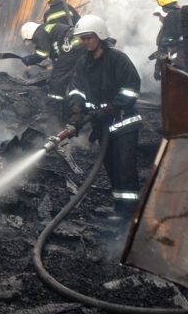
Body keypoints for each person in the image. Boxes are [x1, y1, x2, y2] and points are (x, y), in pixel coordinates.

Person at [65, 14, 142, 222]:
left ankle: (132, 216)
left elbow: (131, 90)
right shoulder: (83, 63)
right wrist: (75, 114)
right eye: (83, 39)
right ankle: (120, 211)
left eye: (89, 37)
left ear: (100, 35)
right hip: (103, 126)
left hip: (124, 124)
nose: (85, 42)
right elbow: (76, 91)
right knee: (111, 168)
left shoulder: (118, 59)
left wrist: (111, 108)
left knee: (125, 169)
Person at [20, 20, 83, 116]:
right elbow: (54, 53)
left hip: (70, 47)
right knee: (74, 78)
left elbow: (43, 53)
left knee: (58, 79)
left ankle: (53, 110)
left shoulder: (39, 32)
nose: (33, 43)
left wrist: (30, 59)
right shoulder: (46, 29)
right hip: (77, 45)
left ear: (29, 34)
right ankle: (72, 106)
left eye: (31, 41)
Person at [150, 0, 183, 80]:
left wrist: (158, 69)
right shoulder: (182, 14)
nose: (159, 18)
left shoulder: (172, 17)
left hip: (178, 65)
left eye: (160, 15)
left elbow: (163, 48)